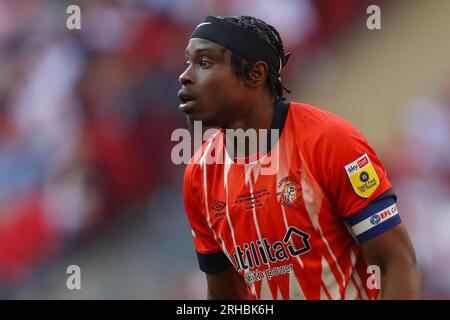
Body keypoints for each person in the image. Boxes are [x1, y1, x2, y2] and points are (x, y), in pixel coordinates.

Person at [178, 15, 420, 300]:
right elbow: (224, 298)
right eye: (187, 62)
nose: (185, 76)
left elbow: (396, 263)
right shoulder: (199, 176)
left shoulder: (329, 141)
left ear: (255, 74)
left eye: (204, 63)